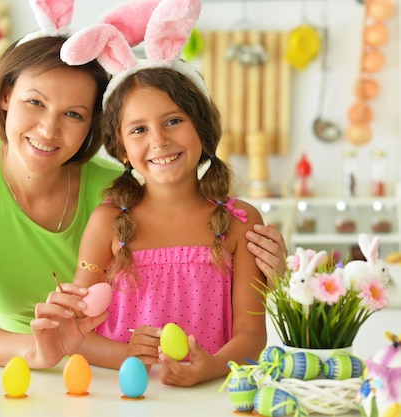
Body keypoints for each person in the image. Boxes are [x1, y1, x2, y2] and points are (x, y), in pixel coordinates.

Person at [0, 0, 287, 369]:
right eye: (34, 102)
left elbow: (239, 321)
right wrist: (41, 349)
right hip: (21, 367)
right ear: (5, 96)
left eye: (73, 114)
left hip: (112, 374)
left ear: (94, 126)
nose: (48, 129)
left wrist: (281, 283)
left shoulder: (119, 195)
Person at [32, 0, 273, 386]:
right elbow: (78, 336)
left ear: (203, 131)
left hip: (211, 400)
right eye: (139, 130)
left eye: (174, 121)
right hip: (123, 402)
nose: (159, 141)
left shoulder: (241, 224)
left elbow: (251, 336)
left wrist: (210, 367)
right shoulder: (108, 223)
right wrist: (128, 353)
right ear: (122, 149)